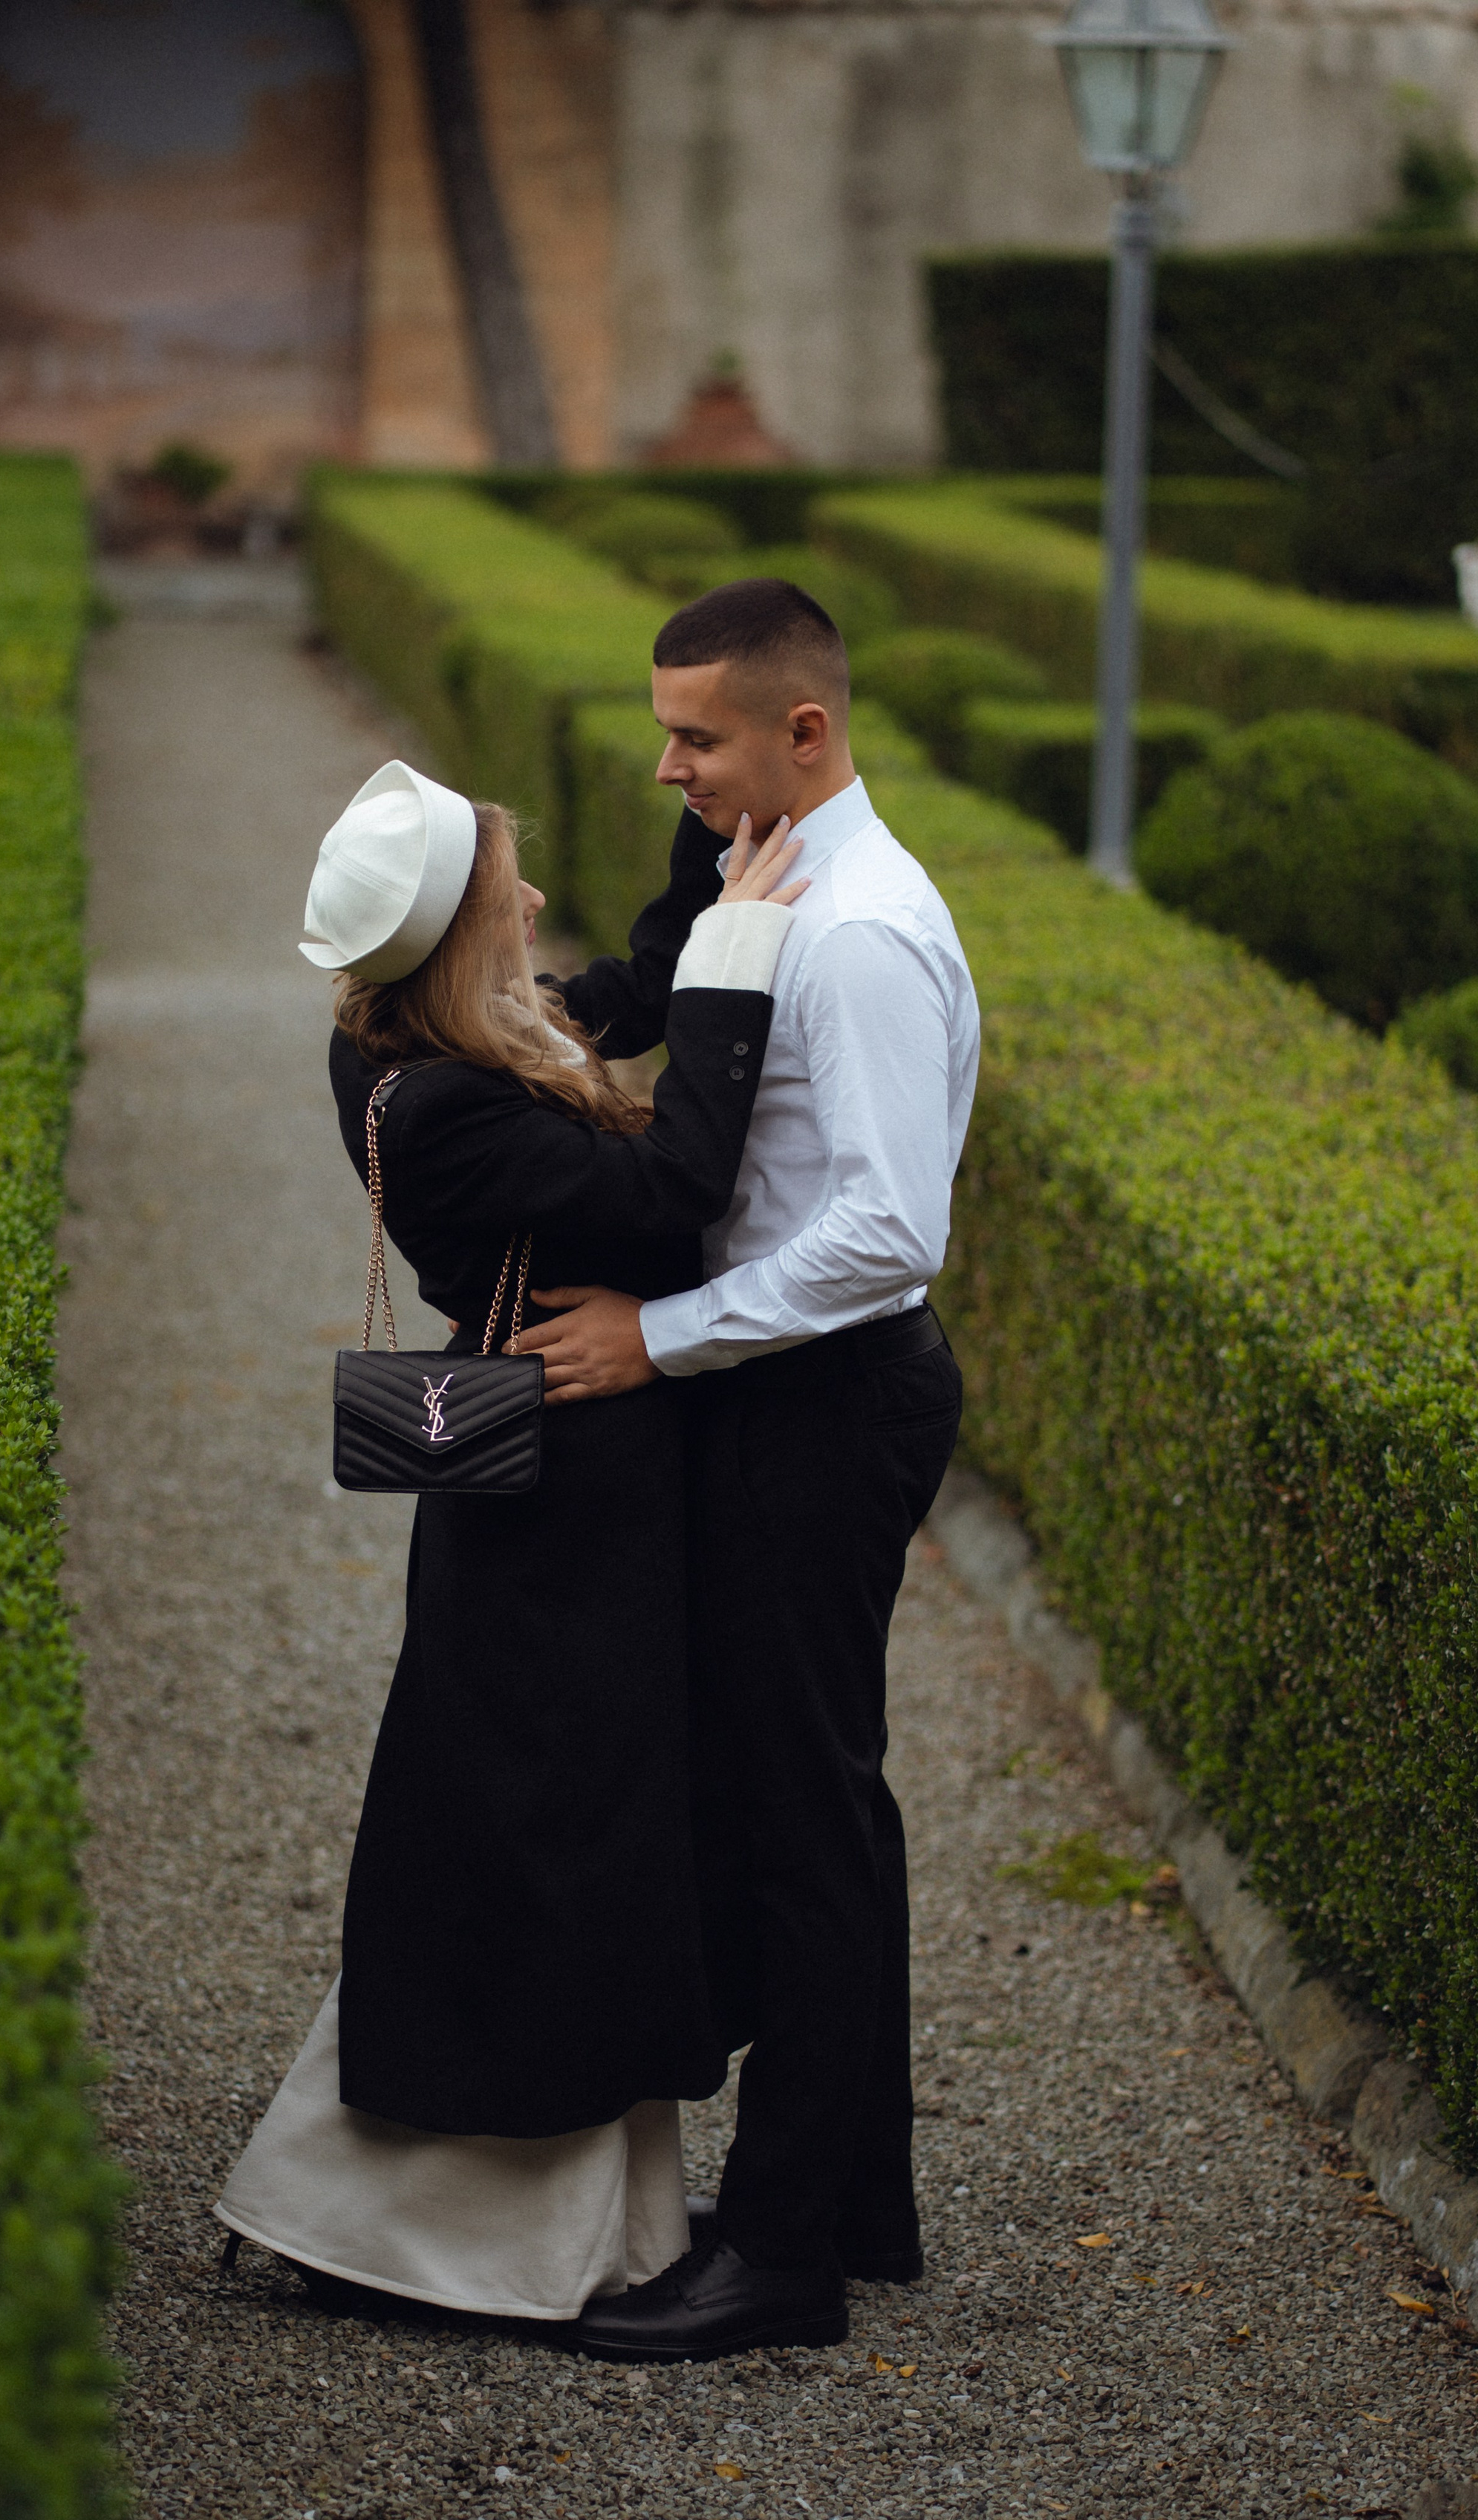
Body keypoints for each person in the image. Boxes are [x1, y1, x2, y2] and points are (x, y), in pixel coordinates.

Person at [213, 757, 807, 2326]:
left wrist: (714, 797)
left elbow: (616, 981)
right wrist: (741, 960)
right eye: (506, 888)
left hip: (570, 1483)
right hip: (557, 1497)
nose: (531, 902)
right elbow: (679, 1178)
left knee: (563, 1828)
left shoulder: (426, 1032)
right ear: (455, 932)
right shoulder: (450, 1103)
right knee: (559, 1831)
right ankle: (447, 2238)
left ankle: (508, 2213)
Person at [517, 579, 983, 2362]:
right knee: (821, 1803)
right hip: (797, 1388)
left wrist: (658, 1334)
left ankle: (783, 2255)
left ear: (803, 730)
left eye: (696, 736)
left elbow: (882, 1228)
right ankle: (851, 2199)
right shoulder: (769, 883)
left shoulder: (853, 929)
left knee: (798, 1819)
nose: (666, 765)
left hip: (821, 1396)